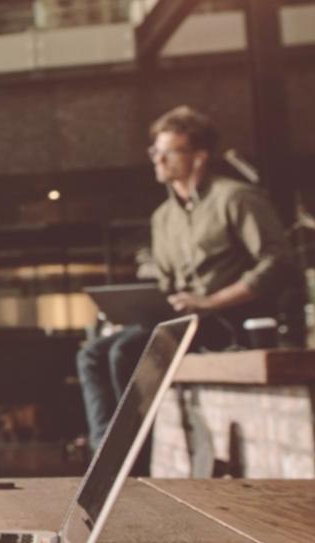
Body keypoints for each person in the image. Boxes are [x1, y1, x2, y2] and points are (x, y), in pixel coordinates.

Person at [76, 105, 292, 452]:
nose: (157, 159)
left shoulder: (235, 198)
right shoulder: (163, 217)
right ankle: (105, 452)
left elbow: (278, 263)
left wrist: (210, 302)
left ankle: (135, 455)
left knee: (124, 352)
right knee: (91, 354)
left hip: (224, 319)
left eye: (168, 151)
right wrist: (134, 311)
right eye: (154, 151)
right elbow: (164, 282)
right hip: (179, 319)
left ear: (199, 156)